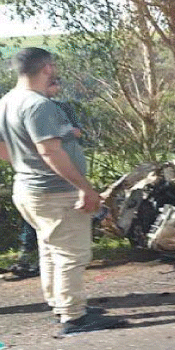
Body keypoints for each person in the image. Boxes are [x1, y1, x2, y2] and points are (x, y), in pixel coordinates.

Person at [0, 47, 123, 334]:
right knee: (72, 254)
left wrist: (24, 162)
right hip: (55, 191)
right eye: (52, 67)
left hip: (28, 188)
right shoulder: (38, 105)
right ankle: (74, 317)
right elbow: (50, 151)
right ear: (47, 69)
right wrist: (85, 187)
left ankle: (61, 304)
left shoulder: (6, 102)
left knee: (51, 249)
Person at [6, 77, 82, 281]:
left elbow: (76, 131)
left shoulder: (61, 107)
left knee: (51, 243)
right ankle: (70, 309)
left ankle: (58, 301)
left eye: (56, 84)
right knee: (66, 251)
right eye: (50, 83)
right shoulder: (30, 106)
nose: (53, 87)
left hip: (56, 178)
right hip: (45, 184)